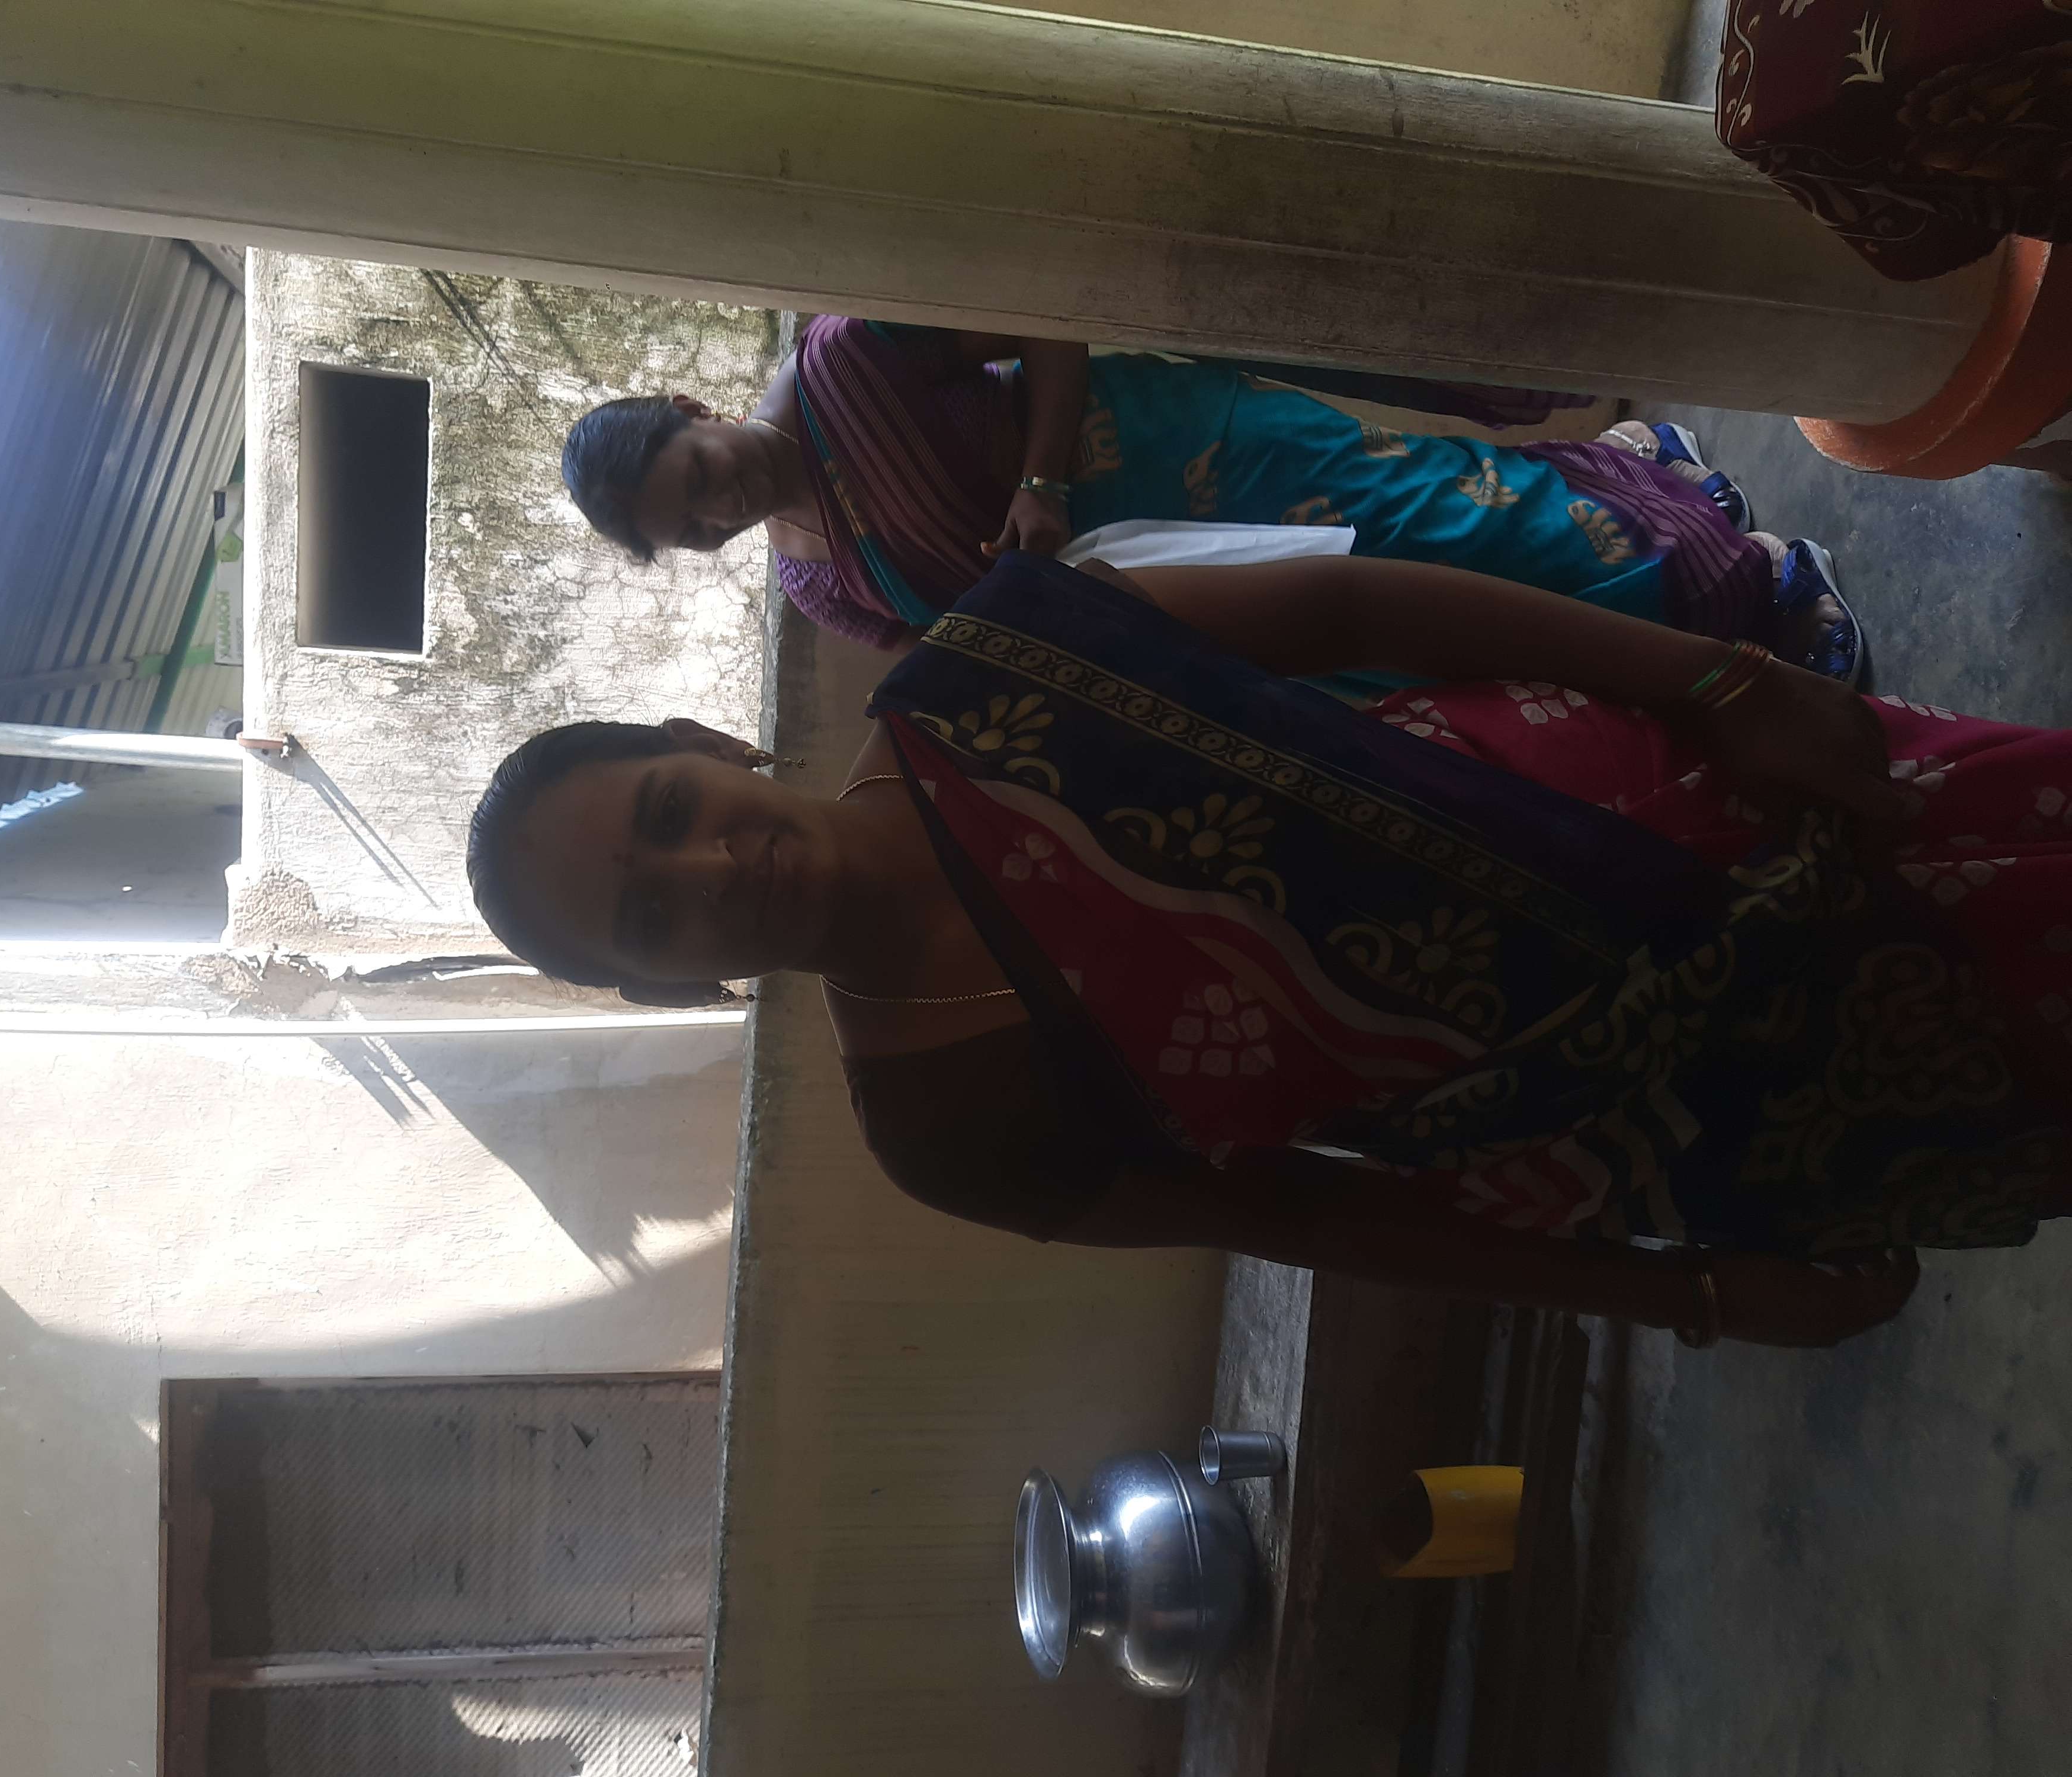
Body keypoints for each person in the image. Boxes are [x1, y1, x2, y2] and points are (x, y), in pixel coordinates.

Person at [465, 549, 2071, 1348]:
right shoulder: (942, 1126)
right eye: (650, 915)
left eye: (669, 812)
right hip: (1692, 1118)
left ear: (705, 744)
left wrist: (1720, 681)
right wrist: (1688, 1292)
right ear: (668, 987)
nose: (709, 872)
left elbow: (1344, 610)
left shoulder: (995, 662)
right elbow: (1307, 1215)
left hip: (1725, 810)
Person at [560, 317, 1860, 683]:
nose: (724, 506)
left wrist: (1039, 484)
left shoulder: (845, 358)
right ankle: (1653, 496)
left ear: (690, 406)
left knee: (1427, 513)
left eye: (700, 474)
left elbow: (1044, 324)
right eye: (697, 530)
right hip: (1155, 591)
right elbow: (940, 647)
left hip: (1173, 453)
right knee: (1406, 632)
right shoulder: (812, 581)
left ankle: (1742, 583)